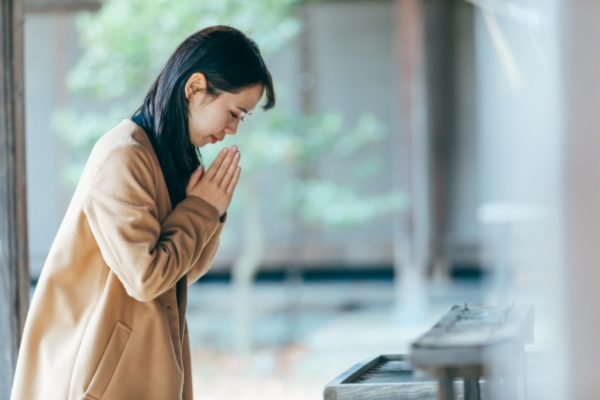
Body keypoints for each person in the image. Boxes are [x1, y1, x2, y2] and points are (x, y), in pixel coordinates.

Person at [11, 25, 275, 400]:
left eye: (241, 119)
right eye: (234, 112)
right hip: (96, 382)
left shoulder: (169, 158)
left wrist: (211, 212)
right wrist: (201, 210)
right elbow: (147, 278)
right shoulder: (123, 156)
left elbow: (186, 271)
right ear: (195, 87)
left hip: (146, 372)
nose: (232, 129)